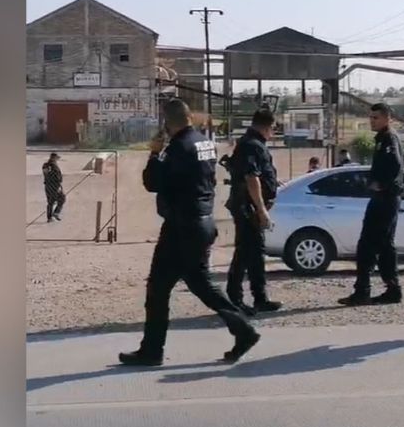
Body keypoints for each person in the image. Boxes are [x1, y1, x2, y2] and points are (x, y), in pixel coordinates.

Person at [118, 99, 259, 366]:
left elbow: (153, 182)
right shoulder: (203, 141)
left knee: (159, 289)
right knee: (199, 284)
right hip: (201, 222)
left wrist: (154, 154)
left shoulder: (178, 148)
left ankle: (152, 351)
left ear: (168, 122)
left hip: (182, 227)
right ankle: (243, 331)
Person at [338, 103, 404, 306]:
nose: (371, 121)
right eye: (371, 117)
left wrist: (381, 185)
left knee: (367, 245)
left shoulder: (388, 139)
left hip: (385, 199)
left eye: (376, 117)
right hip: (385, 199)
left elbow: (394, 164)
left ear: (386, 118)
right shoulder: (383, 139)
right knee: (385, 246)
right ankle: (392, 289)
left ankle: (362, 291)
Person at [224, 108, 283, 314]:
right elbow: (251, 178)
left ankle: (259, 298)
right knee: (245, 252)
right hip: (248, 208)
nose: (273, 133)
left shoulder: (253, 144)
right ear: (268, 126)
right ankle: (235, 298)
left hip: (250, 207)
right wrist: (261, 210)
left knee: (254, 252)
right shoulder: (252, 145)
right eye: (273, 128)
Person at [42, 152, 66, 222]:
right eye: (56, 158)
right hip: (55, 186)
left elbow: (46, 174)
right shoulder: (54, 166)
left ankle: (49, 218)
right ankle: (56, 212)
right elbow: (57, 177)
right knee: (62, 198)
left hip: (47, 186)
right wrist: (58, 186)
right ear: (54, 158)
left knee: (50, 201)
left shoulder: (45, 165)